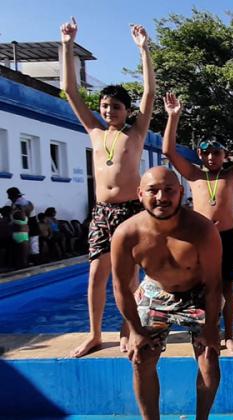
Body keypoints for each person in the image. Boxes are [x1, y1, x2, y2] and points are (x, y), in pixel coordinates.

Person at [61, 17, 155, 358]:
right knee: (96, 275)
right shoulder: (95, 132)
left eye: (115, 106)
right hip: (103, 212)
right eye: (104, 106)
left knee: (130, 277)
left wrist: (144, 50)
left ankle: (130, 326)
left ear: (126, 110)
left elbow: (149, 93)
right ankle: (95, 333)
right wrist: (67, 45)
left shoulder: (136, 133)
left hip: (132, 211)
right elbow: (70, 91)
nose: (108, 111)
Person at [111, 167, 222, 420]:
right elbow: (120, 287)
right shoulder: (127, 234)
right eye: (153, 190)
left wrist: (211, 328)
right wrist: (135, 330)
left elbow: (215, 285)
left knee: (209, 357)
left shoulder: (202, 230)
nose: (161, 197)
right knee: (140, 359)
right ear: (140, 194)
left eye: (169, 190)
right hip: (156, 291)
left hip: (198, 293)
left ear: (180, 193)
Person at [161, 92, 233, 355]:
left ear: (224, 154)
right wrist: (174, 116)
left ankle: (228, 335)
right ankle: (205, 331)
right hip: (201, 238)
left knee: (226, 286)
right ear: (200, 155)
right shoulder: (194, 174)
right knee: (200, 286)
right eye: (205, 152)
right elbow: (168, 150)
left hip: (227, 236)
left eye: (216, 152)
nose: (211, 157)